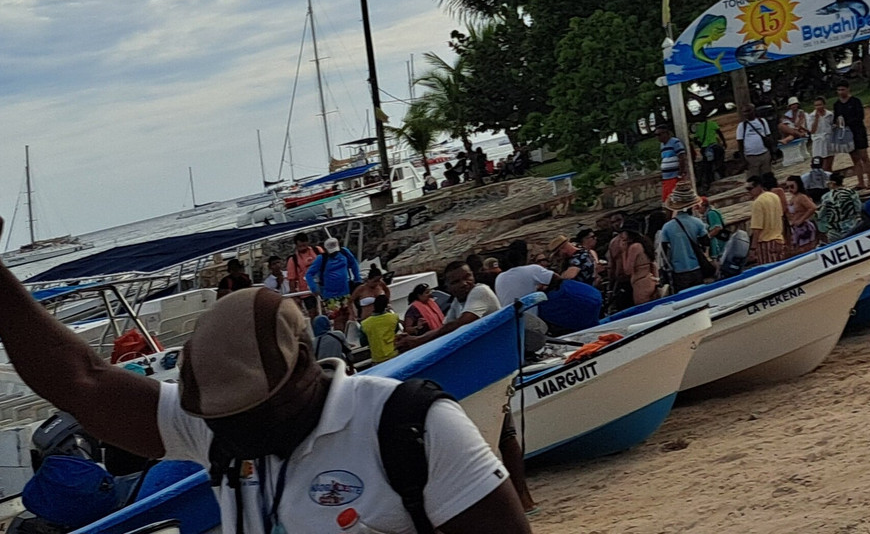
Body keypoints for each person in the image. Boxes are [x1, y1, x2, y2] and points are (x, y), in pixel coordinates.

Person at [0, 221, 531, 534]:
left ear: (303, 366)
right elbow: (83, 381)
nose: (238, 432)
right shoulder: (222, 428)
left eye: (254, 410)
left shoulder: (412, 427)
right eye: (221, 418)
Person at [397, 261, 536, 514]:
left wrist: (417, 340)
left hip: (493, 371)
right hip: (481, 373)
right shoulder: (457, 303)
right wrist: (414, 342)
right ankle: (518, 499)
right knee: (502, 435)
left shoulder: (479, 292)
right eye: (457, 281)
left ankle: (523, 499)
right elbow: (446, 331)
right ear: (447, 287)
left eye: (467, 277)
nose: (465, 283)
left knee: (506, 435)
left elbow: (462, 324)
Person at [659, 180, 716, 292]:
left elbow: (664, 251)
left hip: (678, 271)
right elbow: (706, 242)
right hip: (696, 267)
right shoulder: (697, 223)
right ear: (692, 205)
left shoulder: (667, 227)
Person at [305, 238, 361, 329]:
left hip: (345, 291)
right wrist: (314, 288)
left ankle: (347, 335)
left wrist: (357, 278)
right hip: (330, 295)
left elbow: (354, 264)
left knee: (348, 316)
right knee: (337, 318)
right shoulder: (321, 259)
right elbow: (309, 274)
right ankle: (339, 336)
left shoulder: (344, 252)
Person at [494, 239, 563, 308]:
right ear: (526, 255)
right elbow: (558, 279)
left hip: (508, 314)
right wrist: (543, 294)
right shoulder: (532, 269)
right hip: (529, 314)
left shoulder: (499, 278)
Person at [834, 80, 870, 189]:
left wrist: (848, 122)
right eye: (839, 90)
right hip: (847, 134)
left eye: (843, 89)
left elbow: (860, 116)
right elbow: (836, 119)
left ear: (848, 89)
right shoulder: (837, 105)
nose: (841, 92)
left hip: (858, 131)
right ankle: (860, 181)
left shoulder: (855, 101)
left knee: (864, 156)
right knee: (855, 159)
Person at [613, 220, 661, 308]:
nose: (621, 235)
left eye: (623, 233)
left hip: (641, 283)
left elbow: (627, 270)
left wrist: (623, 252)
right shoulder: (643, 244)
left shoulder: (634, 247)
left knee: (643, 308)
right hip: (648, 279)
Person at [746, 176, 785, 265]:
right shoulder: (774, 196)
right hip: (779, 240)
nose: (749, 192)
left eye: (750, 189)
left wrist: (753, 249)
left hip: (766, 243)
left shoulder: (758, 202)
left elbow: (757, 229)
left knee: (769, 269)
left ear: (759, 186)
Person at [816, 172, 864, 242]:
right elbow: (858, 207)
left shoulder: (826, 197)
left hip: (835, 229)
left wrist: (823, 227)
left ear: (832, 183)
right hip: (852, 225)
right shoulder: (851, 192)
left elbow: (822, 214)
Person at [286, 232, 323, 317]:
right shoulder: (293, 260)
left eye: (304, 245)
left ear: (308, 242)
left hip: (322, 287)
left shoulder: (318, 251)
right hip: (306, 292)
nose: (303, 248)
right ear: (296, 245)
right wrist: (295, 297)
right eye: (300, 246)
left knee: (327, 311)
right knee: (313, 314)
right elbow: (291, 280)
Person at [360, 294, 400, 364]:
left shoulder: (364, 324)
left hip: (377, 359)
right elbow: (396, 330)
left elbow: (363, 342)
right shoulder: (394, 317)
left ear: (374, 306)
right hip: (393, 354)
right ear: (386, 305)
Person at [736, 105, 773, 179]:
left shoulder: (762, 121)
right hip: (751, 157)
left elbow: (768, 136)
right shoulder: (742, 126)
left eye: (748, 111)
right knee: (754, 180)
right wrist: (743, 160)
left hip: (764, 154)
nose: (747, 113)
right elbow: (740, 143)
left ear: (754, 111)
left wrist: (772, 153)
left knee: (767, 178)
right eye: (744, 112)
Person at [784, 176, 819, 255]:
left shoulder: (802, 197)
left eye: (792, 186)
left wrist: (801, 220)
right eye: (787, 187)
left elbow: (813, 207)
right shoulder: (793, 197)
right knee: (800, 250)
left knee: (807, 250)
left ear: (798, 185)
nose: (790, 189)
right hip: (797, 228)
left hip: (804, 227)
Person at [656, 124, 688, 202]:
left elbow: (682, 157)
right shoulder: (662, 145)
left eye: (659, 134)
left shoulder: (675, 142)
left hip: (674, 176)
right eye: (656, 135)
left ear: (666, 133)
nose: (658, 137)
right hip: (666, 177)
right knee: (666, 199)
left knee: (673, 198)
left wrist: (680, 173)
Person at [808, 97, 835, 171]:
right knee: (820, 164)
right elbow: (812, 130)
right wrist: (816, 119)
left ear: (824, 105)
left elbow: (832, 126)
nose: (818, 107)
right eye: (816, 105)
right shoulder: (811, 116)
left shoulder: (830, 114)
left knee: (829, 163)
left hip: (829, 139)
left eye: (820, 105)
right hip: (818, 141)